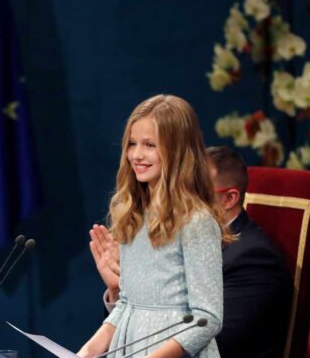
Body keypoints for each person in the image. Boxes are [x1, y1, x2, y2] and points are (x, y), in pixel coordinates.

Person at [90, 146, 292, 358]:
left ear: (229, 199)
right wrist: (122, 290)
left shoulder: (253, 260)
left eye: (195, 192)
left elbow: (205, 343)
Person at [77, 95, 230, 358]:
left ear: (179, 151)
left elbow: (207, 317)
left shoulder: (197, 221)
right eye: (132, 144)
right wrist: (87, 352)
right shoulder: (132, 216)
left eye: (150, 145)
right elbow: (127, 304)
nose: (136, 155)